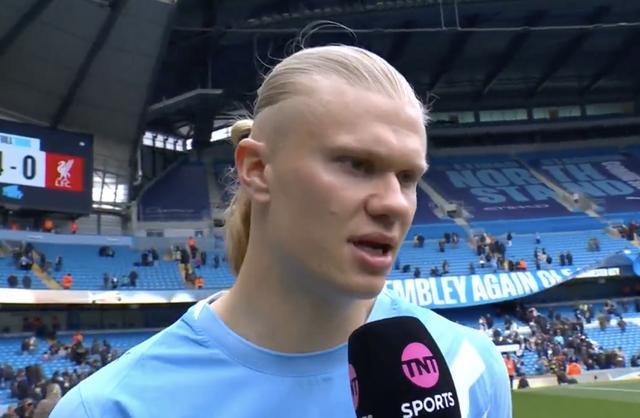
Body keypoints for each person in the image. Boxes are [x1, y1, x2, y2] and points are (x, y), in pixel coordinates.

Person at [51, 44, 511, 418]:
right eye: (357, 164)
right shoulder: (112, 408)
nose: (393, 203)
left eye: (407, 177)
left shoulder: (467, 365)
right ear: (256, 169)